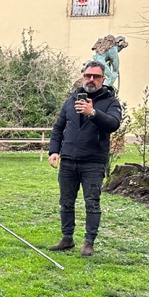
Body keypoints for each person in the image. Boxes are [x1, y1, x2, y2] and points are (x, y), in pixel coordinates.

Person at [47, 60, 122, 257]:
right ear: (83, 77)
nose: (91, 80)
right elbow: (58, 128)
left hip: (93, 162)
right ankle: (67, 238)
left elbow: (113, 124)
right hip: (69, 161)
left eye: (96, 77)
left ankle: (89, 242)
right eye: (88, 76)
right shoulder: (71, 100)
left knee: (92, 203)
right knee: (66, 202)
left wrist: (93, 113)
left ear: (103, 80)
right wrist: (54, 151)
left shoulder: (110, 102)